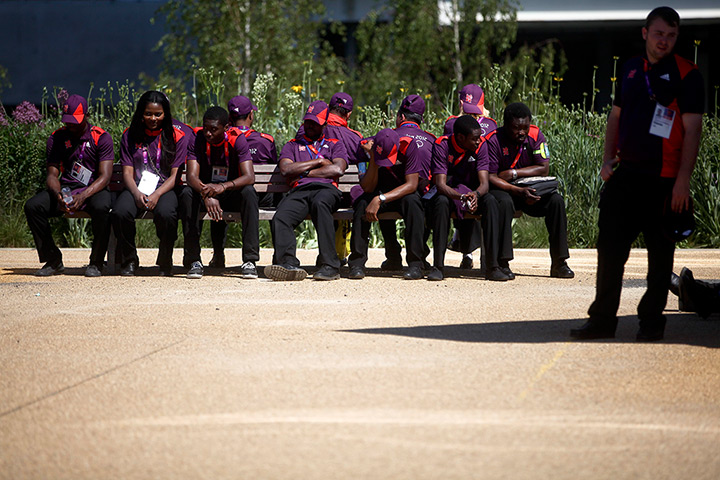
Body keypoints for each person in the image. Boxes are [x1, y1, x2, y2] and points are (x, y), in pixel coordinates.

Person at [572, 7, 704, 341]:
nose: (665, 41)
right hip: (626, 177)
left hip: (665, 181)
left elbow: (693, 129)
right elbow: (615, 117)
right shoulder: (630, 69)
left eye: (672, 36)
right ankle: (602, 320)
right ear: (645, 33)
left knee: (661, 259)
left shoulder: (687, 74)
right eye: (659, 34)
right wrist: (606, 160)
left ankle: (650, 323)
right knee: (610, 250)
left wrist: (683, 182)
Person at [24, 94, 114, 277]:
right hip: (67, 190)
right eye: (68, 121)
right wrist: (58, 194)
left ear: (87, 116)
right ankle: (53, 260)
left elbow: (105, 177)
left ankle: (96, 262)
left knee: (103, 207)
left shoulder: (101, 137)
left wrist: (83, 196)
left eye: (76, 121)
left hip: (93, 189)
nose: (71, 125)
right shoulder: (56, 138)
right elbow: (52, 174)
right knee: (33, 206)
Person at [348, 94, 434, 280]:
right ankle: (356, 263)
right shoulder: (374, 143)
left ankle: (415, 264)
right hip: (379, 191)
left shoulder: (408, 146)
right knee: (362, 203)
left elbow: (411, 185)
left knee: (413, 203)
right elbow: (368, 188)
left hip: (404, 192)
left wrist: (380, 199)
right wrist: (373, 159)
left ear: (401, 117)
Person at [486, 102, 574, 280]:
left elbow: (543, 168)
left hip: (529, 190)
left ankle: (559, 263)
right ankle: (503, 262)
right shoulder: (493, 140)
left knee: (556, 201)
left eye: (525, 127)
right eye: (516, 128)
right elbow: (491, 176)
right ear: (506, 125)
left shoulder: (535, 134)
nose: (521, 132)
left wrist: (514, 173)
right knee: (504, 202)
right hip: (506, 191)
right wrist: (516, 190)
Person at [265, 100, 348, 281]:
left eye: (315, 123)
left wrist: (303, 172)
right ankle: (288, 263)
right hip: (299, 191)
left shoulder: (335, 144)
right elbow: (286, 170)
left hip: (326, 190)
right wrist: (318, 162)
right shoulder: (292, 145)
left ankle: (330, 265)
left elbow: (338, 169)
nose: (309, 125)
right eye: (307, 121)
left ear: (324, 124)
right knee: (282, 217)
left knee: (320, 204)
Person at [111, 90, 188, 276]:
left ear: (166, 114)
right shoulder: (130, 135)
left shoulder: (177, 135)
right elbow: (127, 172)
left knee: (167, 214)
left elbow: (175, 176)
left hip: (165, 188)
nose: (153, 118)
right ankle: (130, 259)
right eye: (148, 114)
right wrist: (137, 194)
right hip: (136, 187)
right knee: (120, 212)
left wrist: (157, 195)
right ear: (141, 114)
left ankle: (165, 259)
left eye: (158, 114)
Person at [426, 115, 509, 281]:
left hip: (473, 192)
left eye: (479, 138)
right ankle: (438, 266)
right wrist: (462, 197)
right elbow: (441, 185)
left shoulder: (481, 145)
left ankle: (492, 266)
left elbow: (484, 183)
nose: (478, 141)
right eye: (474, 139)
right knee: (441, 204)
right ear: (460, 138)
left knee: (491, 201)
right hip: (450, 193)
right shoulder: (442, 145)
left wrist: (476, 195)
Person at [183, 106, 260, 279]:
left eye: (214, 129)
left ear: (226, 128)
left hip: (229, 192)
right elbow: (191, 177)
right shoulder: (197, 138)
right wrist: (207, 194)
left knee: (249, 193)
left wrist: (223, 187)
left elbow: (249, 177)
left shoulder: (236, 139)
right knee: (188, 194)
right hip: (206, 191)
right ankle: (193, 260)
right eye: (206, 128)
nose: (208, 134)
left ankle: (250, 260)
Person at [444, 84, 498, 270]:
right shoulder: (491, 124)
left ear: (460, 104)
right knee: (472, 192)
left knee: (461, 189)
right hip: (481, 180)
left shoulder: (451, 123)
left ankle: (463, 245)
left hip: (461, 181)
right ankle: (470, 249)